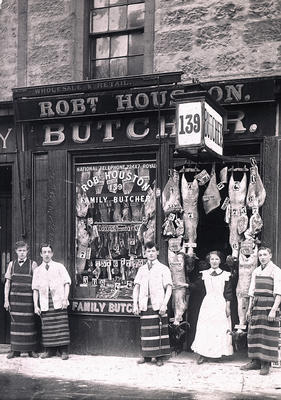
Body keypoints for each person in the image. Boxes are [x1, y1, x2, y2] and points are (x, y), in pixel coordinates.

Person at [240, 246, 281, 375]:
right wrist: (249, 309)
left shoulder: (276, 271)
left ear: (270, 256)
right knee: (254, 333)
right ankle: (255, 361)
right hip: (256, 306)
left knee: (267, 335)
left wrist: (274, 310)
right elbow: (252, 292)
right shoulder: (256, 271)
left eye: (264, 255)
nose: (262, 257)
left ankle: (265, 364)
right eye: (260, 255)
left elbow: (279, 293)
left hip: (269, 305)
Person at [133, 241, 172, 366]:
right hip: (145, 303)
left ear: (158, 252)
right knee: (146, 331)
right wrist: (135, 304)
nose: (151, 253)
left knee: (158, 330)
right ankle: (146, 355)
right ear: (145, 253)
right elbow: (136, 287)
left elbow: (169, 288)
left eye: (153, 251)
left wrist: (165, 304)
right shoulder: (141, 269)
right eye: (148, 251)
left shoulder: (163, 268)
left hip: (158, 303)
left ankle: (159, 357)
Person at [191, 251, 233, 364]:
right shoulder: (204, 274)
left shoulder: (226, 275)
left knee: (218, 328)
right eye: (212, 259)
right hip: (208, 304)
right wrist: (184, 285)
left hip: (220, 303)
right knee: (205, 327)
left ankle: (217, 354)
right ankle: (203, 353)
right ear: (209, 261)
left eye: (216, 259)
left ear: (220, 261)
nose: (214, 261)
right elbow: (196, 286)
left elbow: (228, 292)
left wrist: (228, 307)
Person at [32, 243, 71, 360]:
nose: (47, 254)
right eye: (44, 252)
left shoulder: (59, 267)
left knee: (61, 326)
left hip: (59, 301)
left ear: (52, 253)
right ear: (41, 254)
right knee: (48, 328)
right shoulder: (37, 270)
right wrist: (35, 305)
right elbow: (35, 289)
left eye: (49, 252)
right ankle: (49, 350)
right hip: (45, 302)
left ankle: (63, 351)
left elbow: (67, 283)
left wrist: (65, 298)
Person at [4, 240, 39, 359]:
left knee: (29, 324)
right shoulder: (11, 264)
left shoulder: (33, 264)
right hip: (15, 300)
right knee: (16, 324)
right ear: (16, 252)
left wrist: (35, 303)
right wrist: (6, 300)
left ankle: (30, 350)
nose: (22, 253)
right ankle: (15, 350)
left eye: (24, 250)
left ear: (27, 251)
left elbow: (36, 284)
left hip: (28, 300)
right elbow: (7, 284)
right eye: (20, 251)